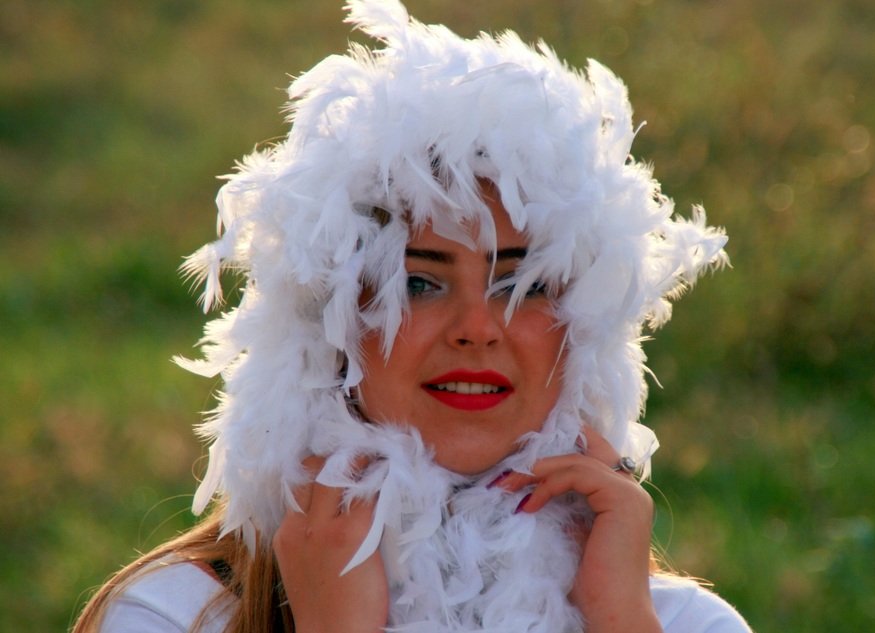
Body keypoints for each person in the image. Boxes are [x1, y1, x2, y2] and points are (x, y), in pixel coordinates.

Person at [73, 1, 750, 631]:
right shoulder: (172, 614)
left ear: (588, 325)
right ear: (328, 325)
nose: (477, 327)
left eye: (526, 285)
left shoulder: (689, 622)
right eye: (420, 282)